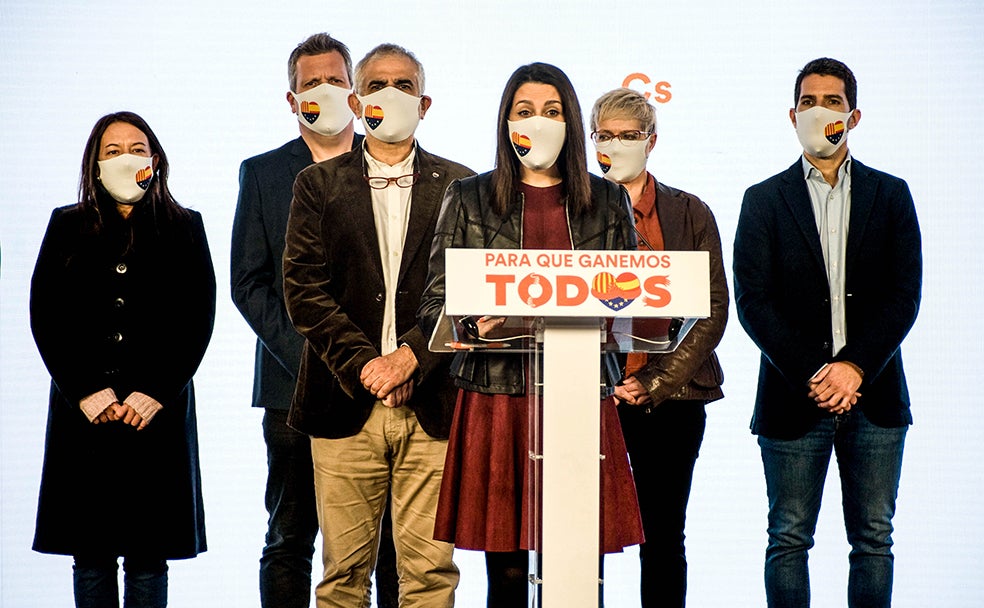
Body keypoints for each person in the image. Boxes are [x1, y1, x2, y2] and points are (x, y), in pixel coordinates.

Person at [418, 62, 645, 608]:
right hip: (499, 396)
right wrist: (469, 325)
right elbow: (434, 304)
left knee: (579, 567)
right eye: (525, 112)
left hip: (581, 398)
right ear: (506, 123)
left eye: (552, 111)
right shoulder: (468, 196)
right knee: (508, 574)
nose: (538, 122)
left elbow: (636, 306)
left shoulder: (608, 200)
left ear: (571, 124)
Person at [283, 43, 474, 608]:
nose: (390, 95)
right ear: (356, 100)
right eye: (376, 85)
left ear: (425, 103)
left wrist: (411, 359)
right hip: (343, 402)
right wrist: (369, 366)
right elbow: (304, 290)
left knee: (430, 576)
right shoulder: (316, 184)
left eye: (404, 86)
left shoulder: (462, 186)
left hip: (434, 403)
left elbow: (467, 293)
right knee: (342, 578)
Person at [733, 58, 922, 608]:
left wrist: (854, 367)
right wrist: (819, 374)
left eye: (832, 102)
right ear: (792, 115)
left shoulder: (892, 195)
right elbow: (753, 303)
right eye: (809, 102)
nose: (820, 112)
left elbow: (903, 297)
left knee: (874, 541)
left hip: (875, 396)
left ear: (854, 116)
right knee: (788, 539)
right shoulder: (763, 199)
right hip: (793, 396)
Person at [231, 32, 399, 608]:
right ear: (291, 98)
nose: (324, 91)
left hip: (385, 384)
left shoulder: (393, 162)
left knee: (390, 544)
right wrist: (313, 356)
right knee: (290, 535)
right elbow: (249, 282)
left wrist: (384, 363)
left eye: (335, 80)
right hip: (293, 386)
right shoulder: (262, 173)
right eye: (311, 83)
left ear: (355, 94)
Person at [30, 111, 215, 608]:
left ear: (155, 160)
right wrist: (84, 391)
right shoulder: (67, 225)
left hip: (154, 415)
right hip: (84, 415)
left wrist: (155, 392)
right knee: (90, 555)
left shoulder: (185, 226)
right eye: (112, 151)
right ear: (94, 165)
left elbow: (198, 319)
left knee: (148, 556)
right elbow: (45, 315)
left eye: (137, 149)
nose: (125, 159)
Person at [589, 88, 728, 608]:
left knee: (665, 536)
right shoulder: (569, 209)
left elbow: (713, 308)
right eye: (605, 136)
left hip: (673, 398)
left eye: (629, 135)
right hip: (591, 399)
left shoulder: (690, 212)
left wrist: (655, 381)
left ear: (651, 141)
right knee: (583, 535)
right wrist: (604, 381)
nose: (616, 145)